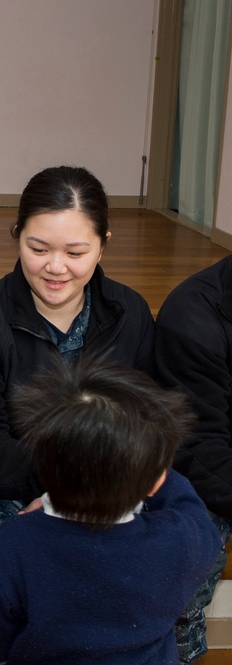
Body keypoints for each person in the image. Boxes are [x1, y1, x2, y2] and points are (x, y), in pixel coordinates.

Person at [0, 165, 154, 574]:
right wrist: (56, 489)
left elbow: (145, 420)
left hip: (107, 487)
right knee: (14, 572)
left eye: (75, 253)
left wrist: (73, 495)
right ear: (17, 236)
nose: (55, 267)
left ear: (102, 246)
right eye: (38, 249)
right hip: (2, 492)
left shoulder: (131, 315)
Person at [0, 358, 221, 664]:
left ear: (44, 465)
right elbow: (196, 516)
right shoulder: (176, 540)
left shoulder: (14, 542)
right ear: (155, 479)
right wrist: (154, 467)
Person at [154, 254, 232, 662]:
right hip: (214, 469)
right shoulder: (193, 316)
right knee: (187, 542)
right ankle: (180, 651)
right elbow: (199, 450)